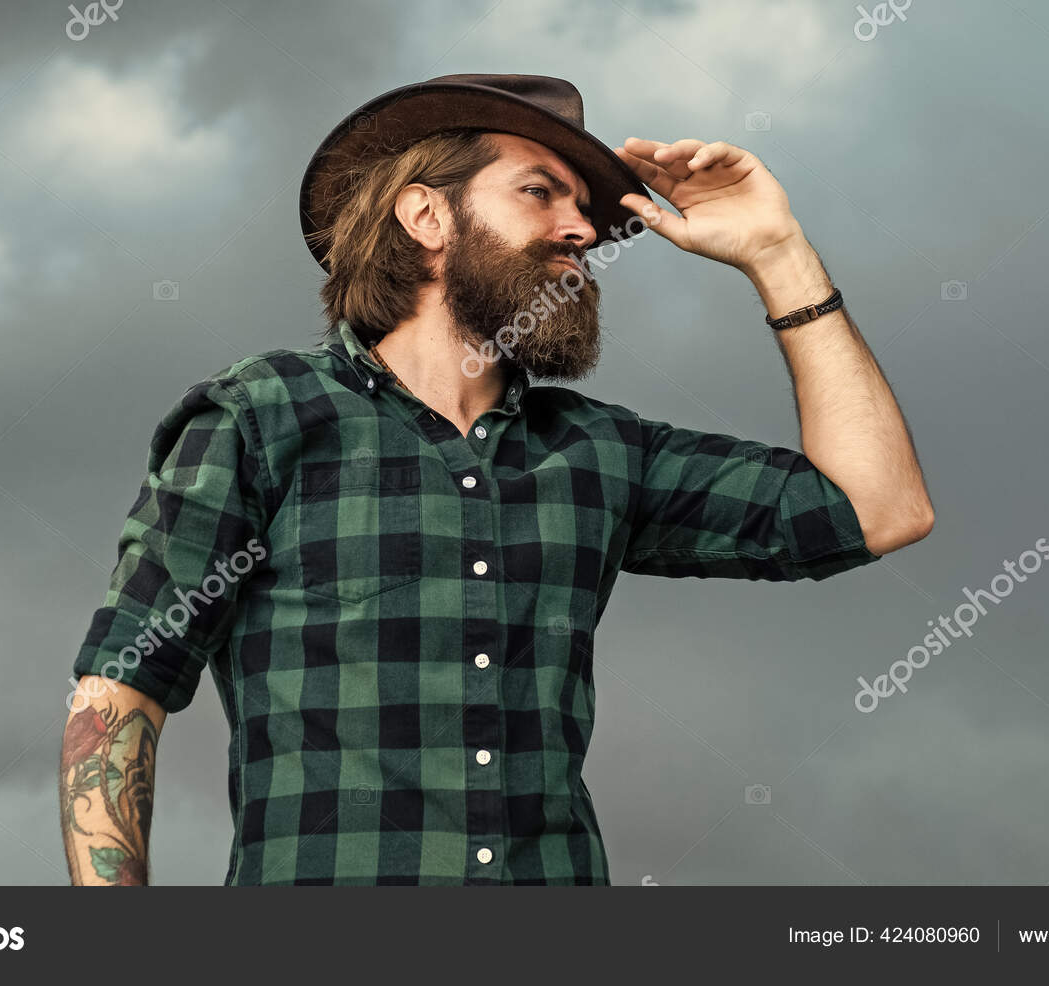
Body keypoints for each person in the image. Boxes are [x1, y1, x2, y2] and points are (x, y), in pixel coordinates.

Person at [59, 73, 934, 886]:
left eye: (583, 206)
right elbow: (122, 689)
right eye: (539, 190)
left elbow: (879, 508)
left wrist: (778, 253)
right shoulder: (262, 416)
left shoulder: (601, 452)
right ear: (426, 218)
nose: (583, 229)